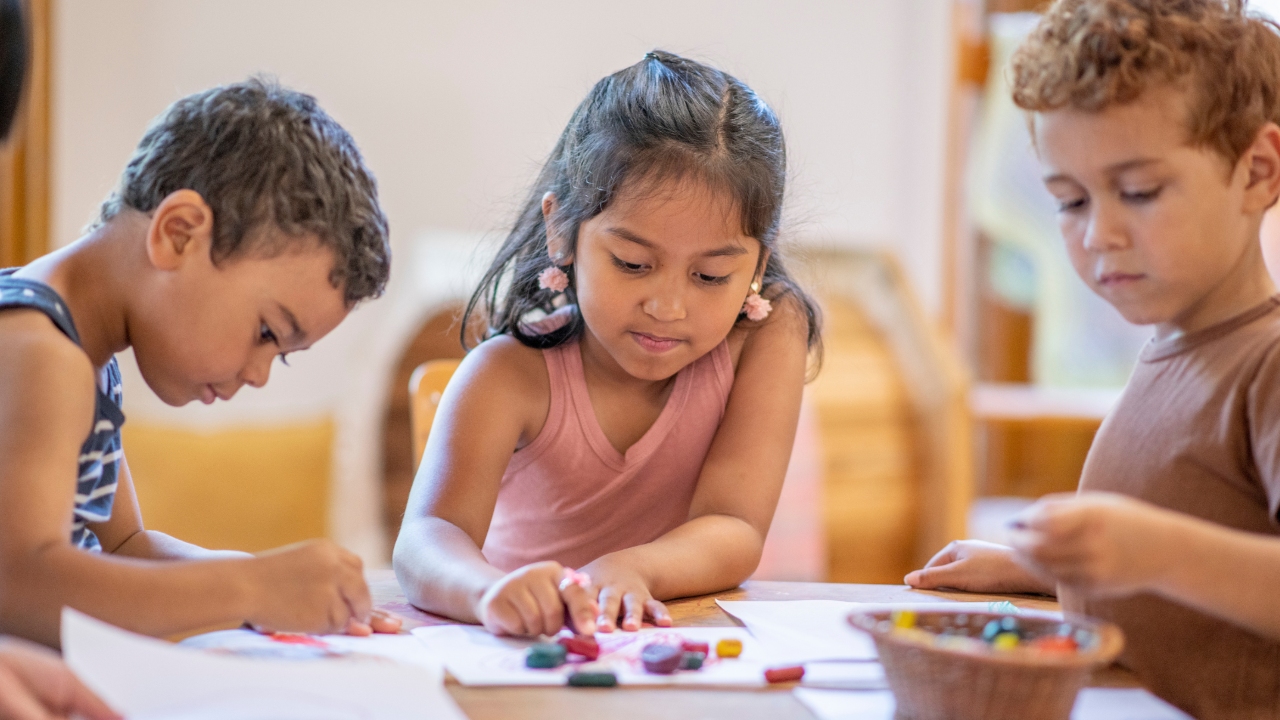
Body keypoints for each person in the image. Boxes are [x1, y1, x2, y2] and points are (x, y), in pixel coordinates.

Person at [905, 1, 1280, 716]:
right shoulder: (1174, 347)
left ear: (1258, 173)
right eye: (1071, 201)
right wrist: (1048, 571)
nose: (1099, 234)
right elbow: (1199, 592)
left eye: (1139, 192)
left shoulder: (1267, 364)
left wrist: (1158, 552)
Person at [394, 50, 820, 637]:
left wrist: (632, 567)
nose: (667, 307)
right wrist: (487, 592)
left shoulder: (768, 332)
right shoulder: (508, 375)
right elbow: (426, 539)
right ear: (561, 230)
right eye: (633, 263)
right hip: (526, 652)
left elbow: (734, 525)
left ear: (757, 265)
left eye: (710, 277)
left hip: (665, 650)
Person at [0, 77, 400, 648]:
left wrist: (274, 584)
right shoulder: (40, 352)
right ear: (179, 234)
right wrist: (248, 587)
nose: (258, 374)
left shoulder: (83, 351)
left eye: (280, 358)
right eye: (267, 332)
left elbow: (121, 546)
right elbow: (18, 586)